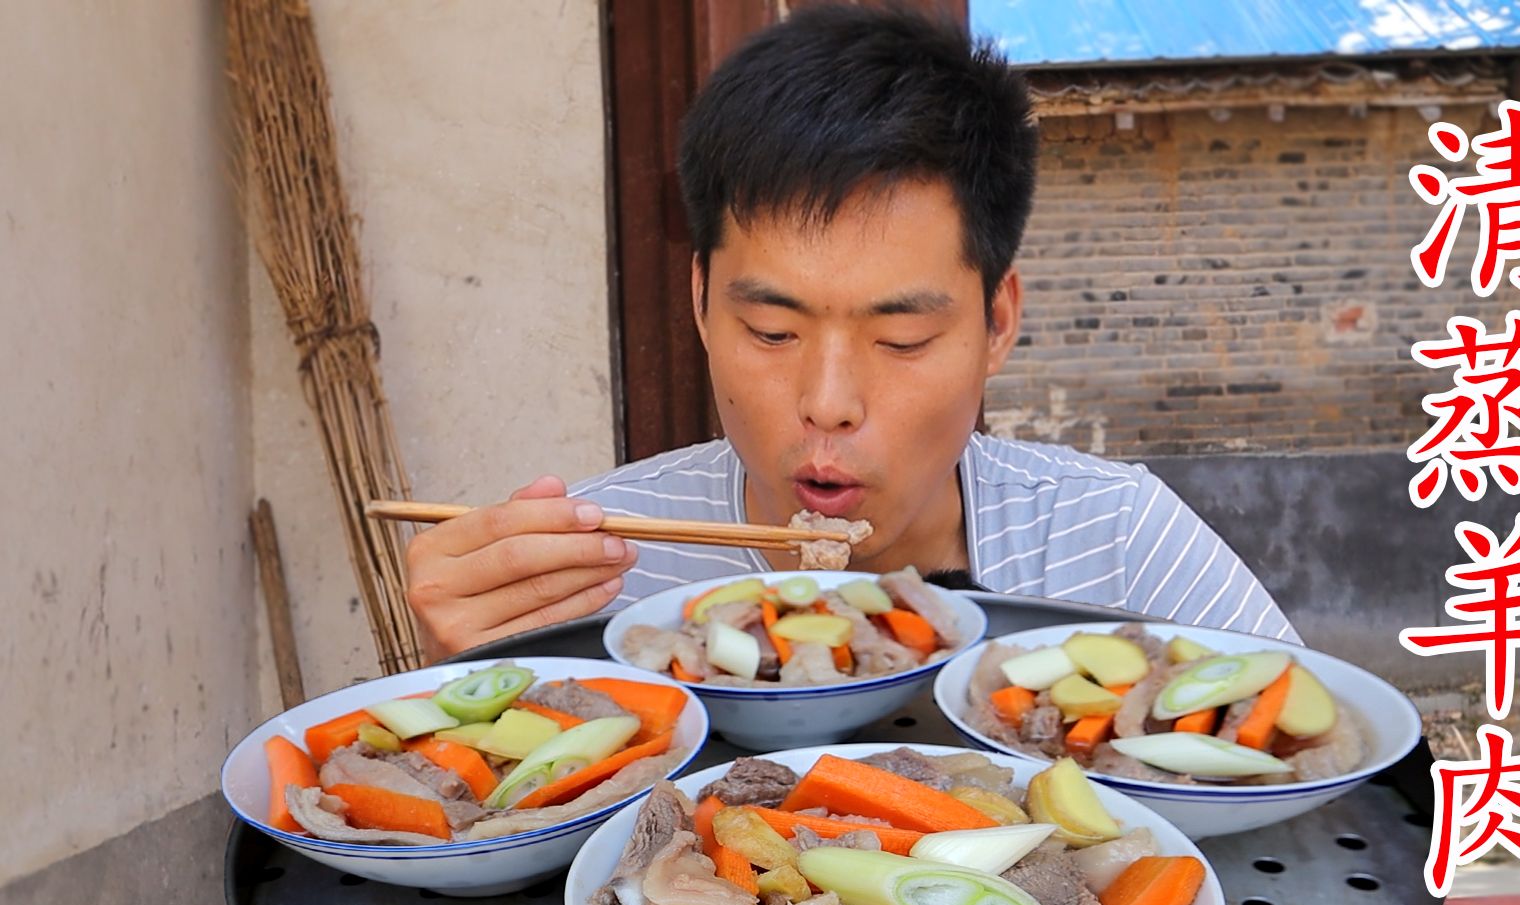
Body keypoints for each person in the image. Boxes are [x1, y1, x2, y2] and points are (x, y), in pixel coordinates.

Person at [407, 4, 1297, 661]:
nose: (828, 404)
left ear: (996, 323)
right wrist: (465, 673)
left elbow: (1329, 786)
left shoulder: (1112, 544)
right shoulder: (598, 569)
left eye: (901, 339)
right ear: (700, 302)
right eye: (770, 330)